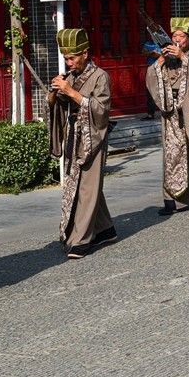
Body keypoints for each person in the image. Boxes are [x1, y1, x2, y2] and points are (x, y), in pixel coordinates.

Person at [48, 28, 117, 260]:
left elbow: (101, 109)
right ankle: (105, 229)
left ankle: (81, 239)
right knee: (84, 183)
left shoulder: (100, 76)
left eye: (72, 58)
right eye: (66, 58)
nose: (69, 63)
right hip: (73, 134)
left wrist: (71, 92)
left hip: (92, 136)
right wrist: (54, 94)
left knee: (87, 186)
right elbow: (58, 106)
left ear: (85, 54)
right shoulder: (70, 77)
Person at [146, 16, 189, 215]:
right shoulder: (166, 57)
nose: (177, 40)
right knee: (172, 155)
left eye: (181, 36)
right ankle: (171, 200)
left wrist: (184, 58)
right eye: (174, 36)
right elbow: (151, 76)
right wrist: (161, 59)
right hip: (171, 112)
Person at [141, 38, 160, 120]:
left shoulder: (162, 43)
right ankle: (150, 114)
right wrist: (152, 52)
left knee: (163, 90)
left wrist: (152, 54)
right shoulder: (148, 43)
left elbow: (160, 56)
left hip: (162, 68)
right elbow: (143, 54)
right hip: (150, 69)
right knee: (150, 92)